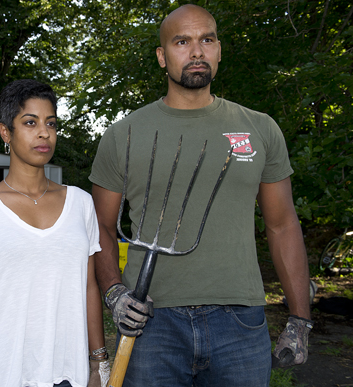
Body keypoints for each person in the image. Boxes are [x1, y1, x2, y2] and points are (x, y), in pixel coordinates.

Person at [89, 4, 313, 386]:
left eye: (206, 40)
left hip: (240, 322)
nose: (196, 52)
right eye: (182, 42)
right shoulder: (124, 135)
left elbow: (282, 224)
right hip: (151, 323)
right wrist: (114, 293)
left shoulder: (259, 128)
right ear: (162, 56)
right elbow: (100, 228)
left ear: (219, 50)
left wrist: (300, 318)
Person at [0, 79, 110, 387]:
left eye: (51, 123)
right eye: (30, 122)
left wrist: (98, 362)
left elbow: (88, 287)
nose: (44, 133)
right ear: (6, 132)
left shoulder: (80, 204)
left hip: (64, 374)